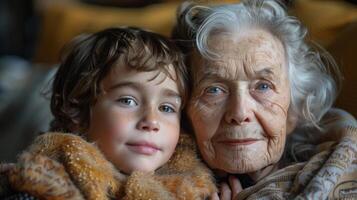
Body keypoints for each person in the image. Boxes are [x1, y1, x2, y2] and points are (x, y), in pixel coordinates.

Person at [0, 27, 216, 200]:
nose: (151, 121)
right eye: (128, 100)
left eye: (167, 108)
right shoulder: (43, 184)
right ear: (77, 112)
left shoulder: (195, 185)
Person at [173, 0, 357, 199]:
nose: (240, 113)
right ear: (184, 111)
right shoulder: (151, 181)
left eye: (263, 86)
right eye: (214, 90)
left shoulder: (345, 165)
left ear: (294, 109)